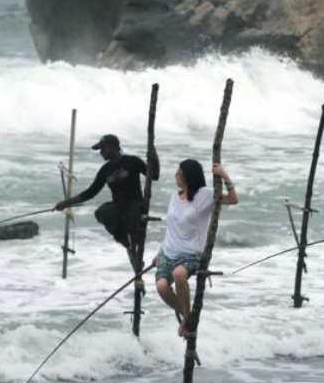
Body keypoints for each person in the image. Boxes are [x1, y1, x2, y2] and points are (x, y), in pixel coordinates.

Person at [153, 160, 238, 337]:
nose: (176, 174)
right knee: (161, 286)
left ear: (189, 175)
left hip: (191, 254)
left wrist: (224, 176)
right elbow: (172, 229)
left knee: (179, 274)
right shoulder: (174, 196)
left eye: (179, 171)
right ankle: (188, 315)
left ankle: (185, 321)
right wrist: (159, 253)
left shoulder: (205, 195)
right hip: (168, 252)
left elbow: (233, 199)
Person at [55, 134, 159, 275]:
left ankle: (135, 252)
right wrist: (66, 203)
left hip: (136, 204)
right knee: (102, 212)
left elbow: (154, 176)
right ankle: (126, 244)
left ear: (113, 147)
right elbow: (90, 193)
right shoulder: (105, 170)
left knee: (133, 218)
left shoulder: (132, 161)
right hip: (118, 205)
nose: (101, 152)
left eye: (103, 149)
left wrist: (155, 159)